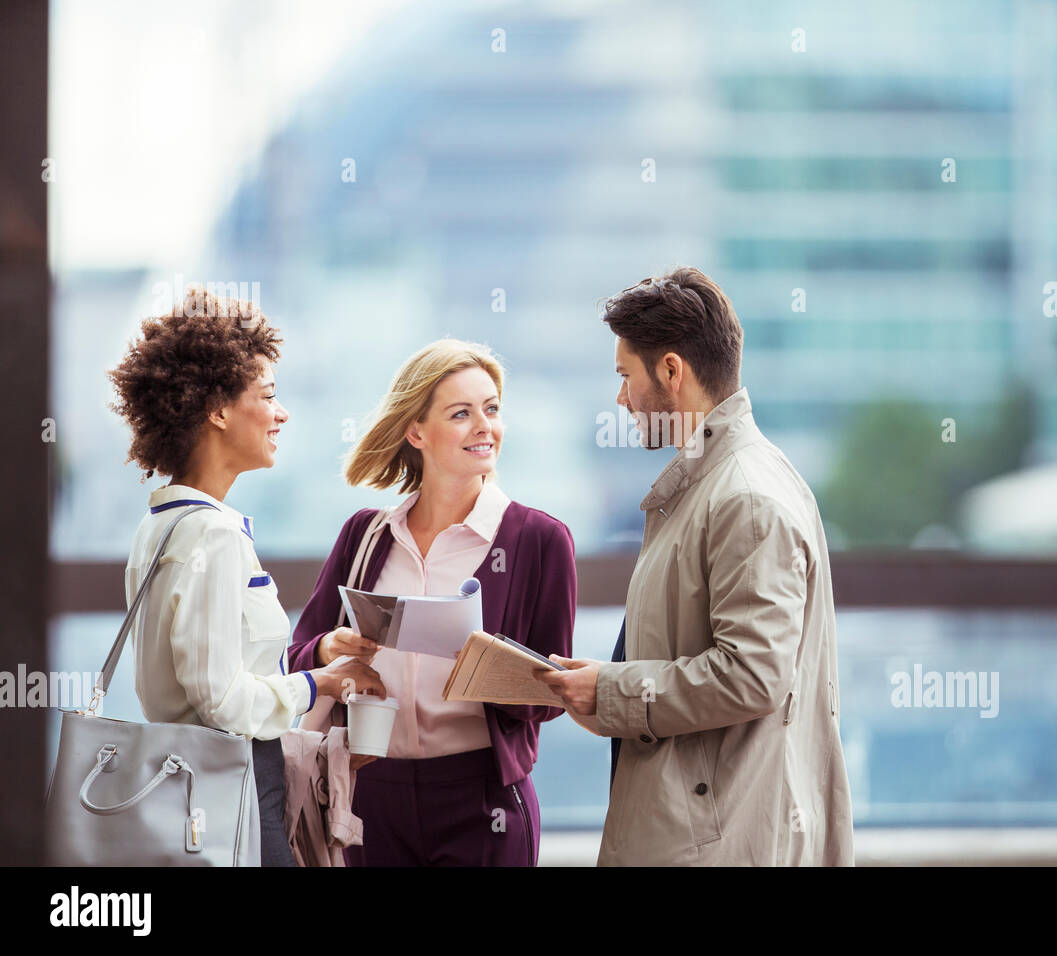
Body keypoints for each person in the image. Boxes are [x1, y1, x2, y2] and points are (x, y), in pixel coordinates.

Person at [538, 266, 854, 866]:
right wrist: (604, 683)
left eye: (625, 375)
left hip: (721, 844)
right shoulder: (719, 485)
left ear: (672, 371)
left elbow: (753, 675)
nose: (620, 398)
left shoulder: (744, 497)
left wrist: (612, 691)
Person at [108, 286, 386, 867]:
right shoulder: (212, 535)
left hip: (186, 781)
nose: (281, 412)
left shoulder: (158, 527)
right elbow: (223, 701)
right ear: (217, 411)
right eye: (267, 395)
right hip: (230, 786)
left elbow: (206, 680)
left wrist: (308, 664)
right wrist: (322, 684)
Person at [288, 339, 575, 867]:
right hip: (371, 793)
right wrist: (331, 649)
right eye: (461, 413)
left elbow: (553, 696)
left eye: (491, 409)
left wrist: (483, 668)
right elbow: (297, 656)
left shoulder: (539, 539)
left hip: (481, 798)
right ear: (416, 431)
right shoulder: (366, 536)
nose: (484, 425)